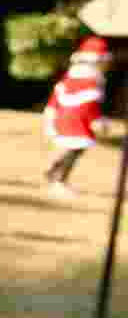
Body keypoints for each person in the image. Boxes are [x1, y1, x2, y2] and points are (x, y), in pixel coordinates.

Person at [43, 35, 113, 198]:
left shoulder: (70, 78)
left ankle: (56, 168)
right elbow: (90, 106)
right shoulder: (92, 82)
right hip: (77, 122)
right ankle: (59, 179)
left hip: (63, 118)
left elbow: (55, 101)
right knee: (75, 150)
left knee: (72, 148)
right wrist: (97, 121)